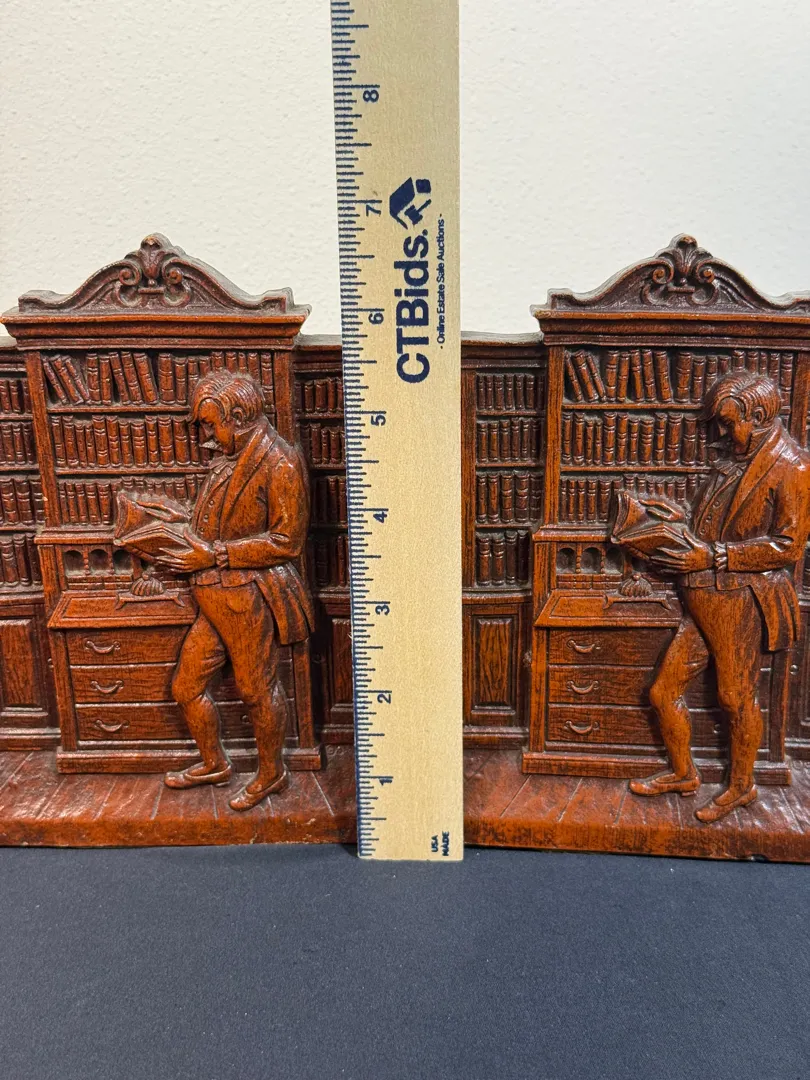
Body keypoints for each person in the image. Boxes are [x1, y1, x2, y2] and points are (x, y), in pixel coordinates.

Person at [629, 370, 810, 822]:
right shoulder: (737, 459)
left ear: (759, 415)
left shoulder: (792, 466)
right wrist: (677, 522)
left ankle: (742, 787)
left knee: (735, 697)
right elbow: (715, 523)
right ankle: (684, 773)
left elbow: (788, 546)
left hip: (741, 601)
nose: (723, 434)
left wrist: (715, 555)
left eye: (729, 423)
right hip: (704, 600)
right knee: (663, 690)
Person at [155, 370, 314, 811]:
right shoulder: (228, 457)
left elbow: (287, 542)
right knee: (186, 686)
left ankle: (271, 773)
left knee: (256, 689)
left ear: (238, 418)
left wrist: (215, 554)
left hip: (247, 598)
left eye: (210, 424)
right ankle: (215, 763)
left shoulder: (279, 462)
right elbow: (212, 519)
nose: (205, 435)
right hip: (212, 597)